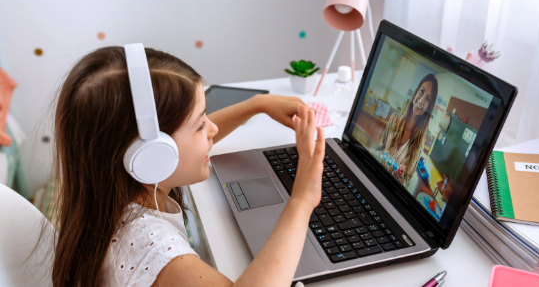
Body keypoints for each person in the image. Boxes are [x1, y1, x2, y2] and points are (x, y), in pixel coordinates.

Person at [47, 46, 325, 286]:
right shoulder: (150, 247)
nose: (212, 128)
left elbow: (187, 139)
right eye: (201, 123)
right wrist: (301, 200)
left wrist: (256, 105)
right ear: (153, 153)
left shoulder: (107, 194)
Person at [374, 73, 438, 186]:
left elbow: (408, 180)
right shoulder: (394, 118)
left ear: (429, 106)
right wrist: (383, 159)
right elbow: (378, 149)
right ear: (416, 91)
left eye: (428, 98)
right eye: (422, 91)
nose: (421, 101)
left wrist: (401, 179)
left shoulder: (419, 142)